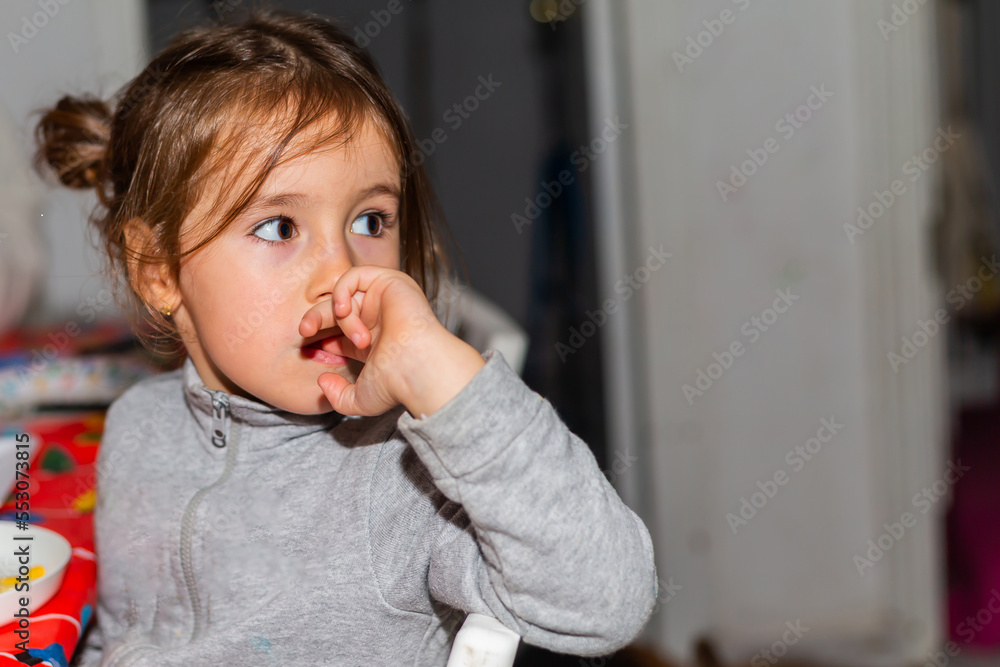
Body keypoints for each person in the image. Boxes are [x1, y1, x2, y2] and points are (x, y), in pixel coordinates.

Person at [34, 8, 657, 666]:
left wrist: (457, 390)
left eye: (370, 218)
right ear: (160, 273)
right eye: (279, 227)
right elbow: (128, 635)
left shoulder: (401, 471)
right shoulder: (138, 429)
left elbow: (606, 598)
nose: (341, 272)